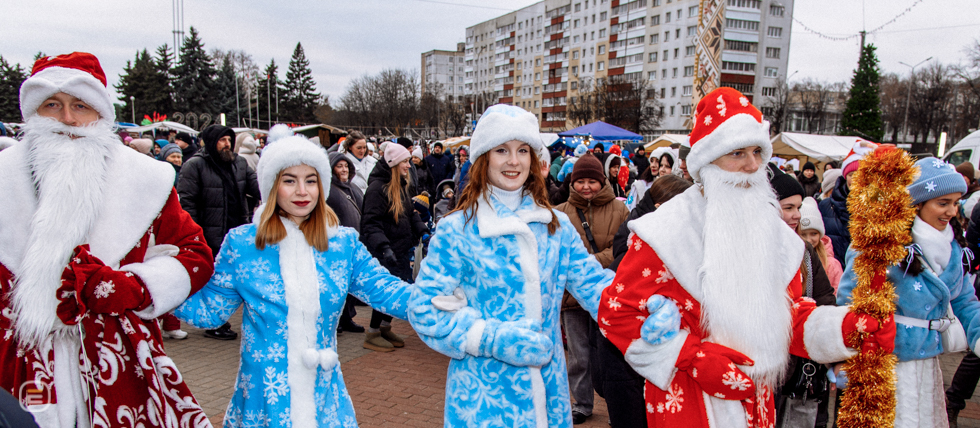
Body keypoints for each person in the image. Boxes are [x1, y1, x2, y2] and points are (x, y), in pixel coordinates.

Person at [598, 88, 885, 427]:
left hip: (757, 400)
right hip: (688, 399)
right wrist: (691, 357)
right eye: (737, 153)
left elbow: (789, 315)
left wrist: (843, 329)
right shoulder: (665, 233)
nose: (752, 166)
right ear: (707, 162)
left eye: (757, 152)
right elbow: (615, 313)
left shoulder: (776, 236)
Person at [0, 52, 214, 426]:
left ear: (100, 113)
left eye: (80, 106)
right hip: (19, 362)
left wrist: (133, 286)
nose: (67, 119)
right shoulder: (3, 179)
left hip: (119, 358)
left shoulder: (146, 179)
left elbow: (194, 255)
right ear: (33, 112)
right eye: (52, 105)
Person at [175, 133, 412, 428]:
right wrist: (162, 283)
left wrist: (433, 301)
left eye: (311, 180)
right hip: (264, 400)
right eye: (289, 180)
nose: (302, 191)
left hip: (324, 399)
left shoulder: (342, 244)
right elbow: (209, 311)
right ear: (272, 185)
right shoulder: (244, 244)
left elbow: (385, 289)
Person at [408, 104, 616, 427]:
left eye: (523, 150)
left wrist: (645, 310)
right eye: (502, 150)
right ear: (484, 157)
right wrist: (491, 338)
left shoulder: (556, 227)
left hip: (548, 399)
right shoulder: (458, 230)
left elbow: (598, 289)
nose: (514, 161)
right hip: (482, 403)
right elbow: (423, 309)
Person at [838, 157, 980, 428]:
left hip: (928, 366)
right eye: (943, 203)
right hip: (886, 365)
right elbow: (849, 302)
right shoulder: (881, 244)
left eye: (956, 202)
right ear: (917, 204)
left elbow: (964, 300)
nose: (952, 211)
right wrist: (846, 359)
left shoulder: (955, 248)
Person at [554, 153, 630, 424]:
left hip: (606, 294)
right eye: (580, 181)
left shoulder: (620, 209)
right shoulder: (560, 212)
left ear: (602, 181)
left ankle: (615, 406)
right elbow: (556, 252)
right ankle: (582, 403)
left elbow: (622, 250)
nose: (586, 187)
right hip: (571, 297)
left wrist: (584, 264)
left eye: (592, 181)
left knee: (609, 357)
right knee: (578, 355)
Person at [177, 123, 261, 340]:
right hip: (210, 232)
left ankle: (251, 322)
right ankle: (216, 322)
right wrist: (195, 232)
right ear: (212, 142)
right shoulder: (195, 165)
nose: (227, 145)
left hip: (238, 231)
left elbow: (258, 186)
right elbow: (187, 202)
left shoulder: (239, 163)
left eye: (229, 140)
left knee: (243, 278)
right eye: (222, 140)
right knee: (217, 281)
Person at [361, 143, 429, 352]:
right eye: (405, 162)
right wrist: (383, 247)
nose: (409, 166)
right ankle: (372, 332)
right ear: (393, 164)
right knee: (384, 291)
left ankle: (384, 326)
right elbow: (370, 223)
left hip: (400, 248)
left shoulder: (400, 186)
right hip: (386, 250)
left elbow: (410, 214)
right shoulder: (377, 189)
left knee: (395, 288)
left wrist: (422, 232)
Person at [326, 152, 368, 334]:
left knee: (351, 283)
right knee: (338, 285)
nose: (343, 170)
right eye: (339, 166)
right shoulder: (328, 190)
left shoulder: (352, 188)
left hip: (356, 243)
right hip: (337, 245)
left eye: (346, 166)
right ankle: (336, 320)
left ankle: (347, 317)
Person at [819, 142, 876, 265]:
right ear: (845, 176)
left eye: (862, 175)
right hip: (834, 275)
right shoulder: (826, 206)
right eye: (852, 175)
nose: (856, 179)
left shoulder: (878, 208)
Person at [799, 197, 844, 293]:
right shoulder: (794, 261)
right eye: (803, 234)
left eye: (814, 234)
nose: (808, 240)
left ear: (820, 235)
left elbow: (837, 292)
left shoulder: (831, 264)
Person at [344, 130, 377, 195]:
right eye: (359, 148)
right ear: (350, 147)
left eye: (364, 147)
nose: (362, 151)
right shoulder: (344, 164)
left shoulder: (373, 162)